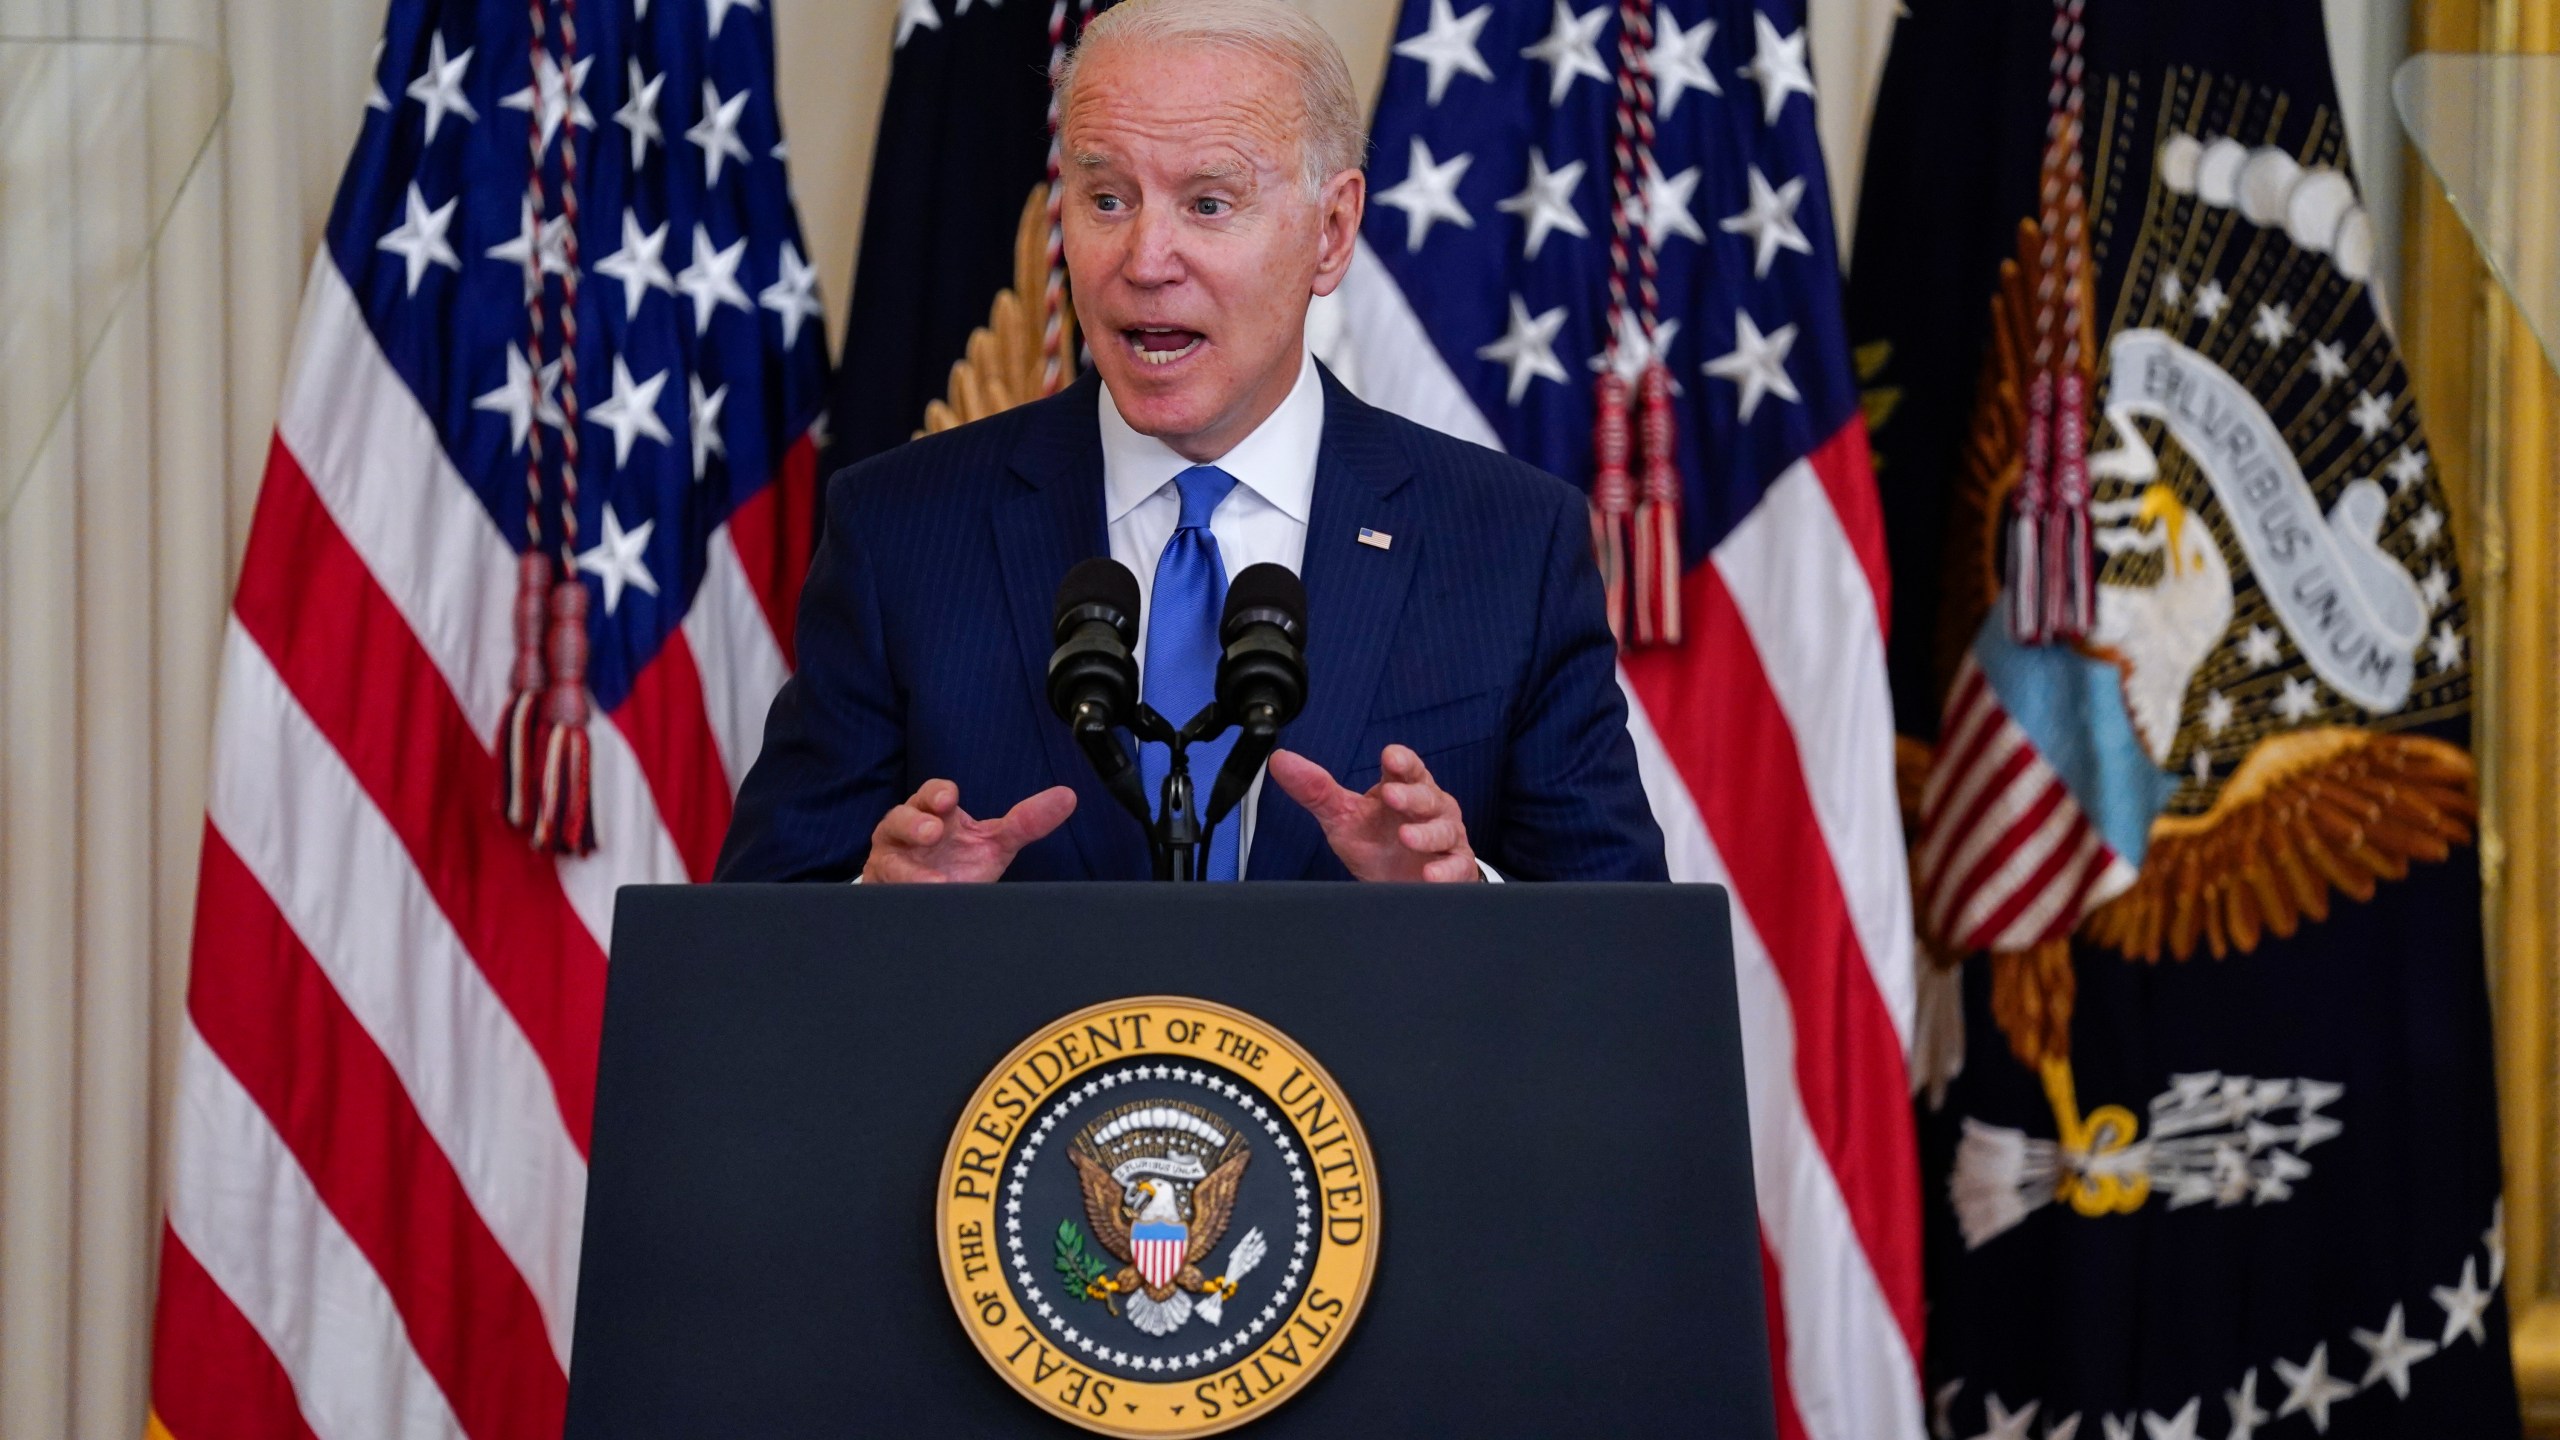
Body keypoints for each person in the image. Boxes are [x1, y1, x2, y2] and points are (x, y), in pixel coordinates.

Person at [716, 0, 1665, 884]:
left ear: (1332, 232)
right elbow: (750, 954)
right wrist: (872, 917)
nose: (1144, 260)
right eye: (1107, 199)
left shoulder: (1510, 544)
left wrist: (1466, 905)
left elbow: (1627, 975)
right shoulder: (901, 531)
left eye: (1208, 204)